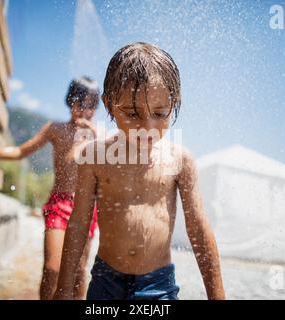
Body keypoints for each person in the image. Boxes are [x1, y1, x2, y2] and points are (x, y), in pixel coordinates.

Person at [53, 43, 225, 300]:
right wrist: (64, 289)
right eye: (132, 113)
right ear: (109, 105)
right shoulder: (95, 157)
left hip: (158, 286)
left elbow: (198, 229)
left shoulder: (180, 160)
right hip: (105, 282)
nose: (147, 126)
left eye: (159, 113)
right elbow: (78, 223)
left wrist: (217, 295)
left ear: (173, 103)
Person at [0, 76, 100, 300]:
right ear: (71, 102)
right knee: (52, 269)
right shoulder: (55, 129)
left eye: (92, 105)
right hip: (59, 204)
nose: (86, 111)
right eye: (81, 103)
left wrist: (95, 139)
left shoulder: (98, 138)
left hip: (85, 208)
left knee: (78, 273)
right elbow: (20, 151)